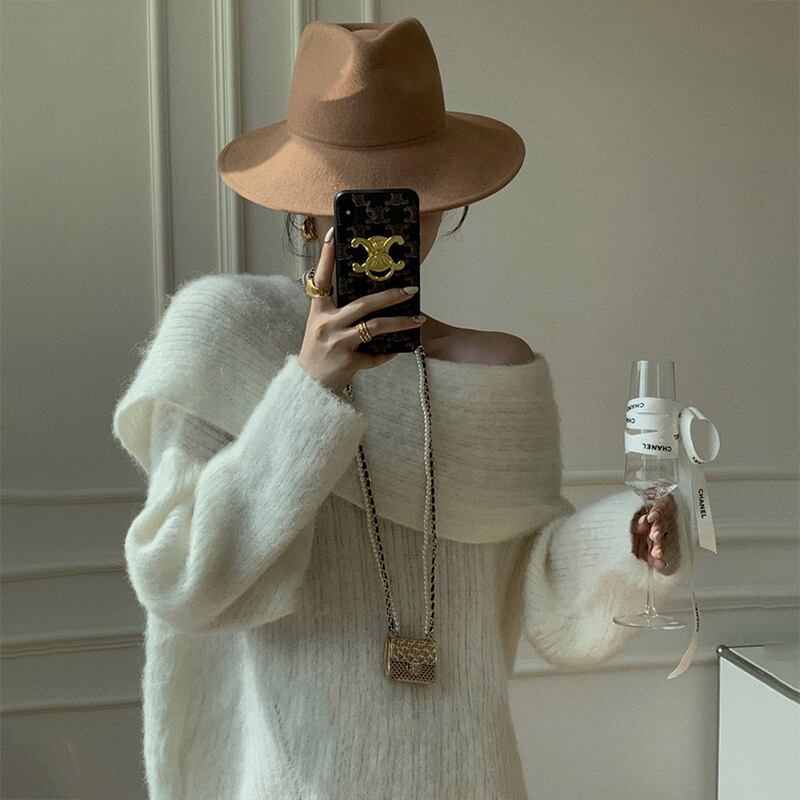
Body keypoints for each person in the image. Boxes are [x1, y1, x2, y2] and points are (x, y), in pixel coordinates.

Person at [112, 17, 683, 800]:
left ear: (446, 205)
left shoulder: (498, 372)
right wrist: (307, 391)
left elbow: (543, 600)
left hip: (471, 778)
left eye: (413, 195)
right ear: (307, 210)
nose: (392, 221)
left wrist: (633, 542)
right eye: (358, 197)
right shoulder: (226, 336)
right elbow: (182, 581)